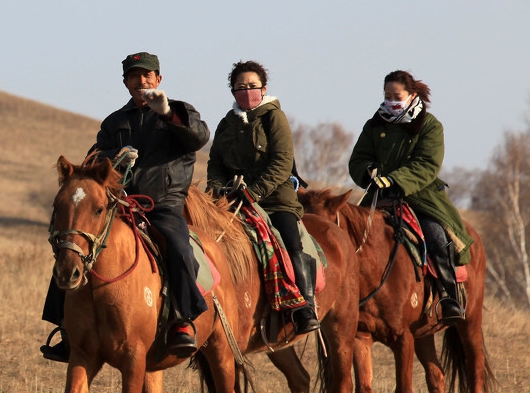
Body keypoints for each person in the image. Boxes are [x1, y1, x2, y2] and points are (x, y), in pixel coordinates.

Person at [41, 51, 211, 361]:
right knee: (72, 244)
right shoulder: (114, 122)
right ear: (125, 82)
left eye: (147, 75)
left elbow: (197, 138)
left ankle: (182, 320)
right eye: (134, 76)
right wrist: (115, 156)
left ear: (158, 79)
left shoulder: (181, 111)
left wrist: (167, 113)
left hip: (163, 203)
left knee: (178, 245)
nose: (141, 80)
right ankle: (66, 327)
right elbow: (94, 159)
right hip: (120, 204)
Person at [205, 60, 320, 334]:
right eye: (240, 87)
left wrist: (254, 192)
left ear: (264, 88)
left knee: (290, 241)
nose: (247, 91)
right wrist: (218, 190)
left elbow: (282, 162)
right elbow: (215, 163)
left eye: (252, 86)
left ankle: (304, 306)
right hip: (234, 202)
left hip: (276, 200)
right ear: (233, 91)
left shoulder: (274, 118)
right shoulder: (225, 124)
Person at [348, 70, 471, 324]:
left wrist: (395, 180)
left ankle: (450, 297)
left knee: (436, 237)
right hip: (379, 195)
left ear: (412, 95)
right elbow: (358, 158)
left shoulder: (430, 125)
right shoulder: (374, 124)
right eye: (387, 96)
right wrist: (368, 171)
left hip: (420, 196)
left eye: (397, 96)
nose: (391, 101)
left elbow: (427, 164)